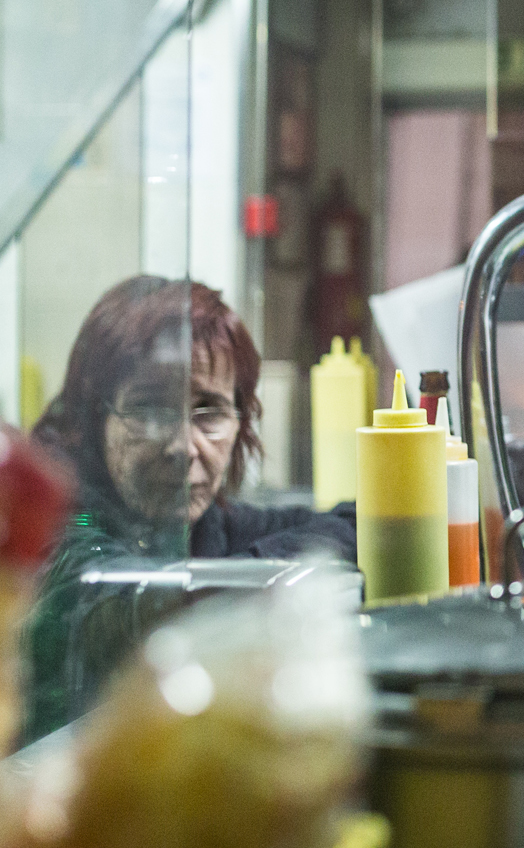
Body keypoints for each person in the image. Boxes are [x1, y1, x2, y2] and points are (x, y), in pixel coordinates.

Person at [23, 276, 356, 737]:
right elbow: (129, 614)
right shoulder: (52, 518)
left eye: (209, 412)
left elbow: (356, 524)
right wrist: (265, 581)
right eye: (150, 410)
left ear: (241, 423)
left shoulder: (199, 523)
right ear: (92, 419)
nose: (183, 445)